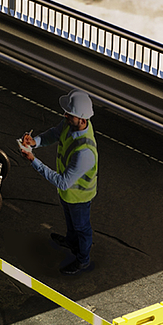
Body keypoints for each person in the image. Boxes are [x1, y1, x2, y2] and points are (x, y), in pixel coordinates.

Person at [19, 89, 98, 275]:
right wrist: (34, 142)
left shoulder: (85, 152)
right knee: (71, 223)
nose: (65, 116)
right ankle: (71, 242)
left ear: (82, 119)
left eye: (69, 114)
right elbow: (54, 133)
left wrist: (33, 160)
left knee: (82, 228)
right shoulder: (71, 124)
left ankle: (83, 260)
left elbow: (62, 182)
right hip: (68, 194)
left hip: (79, 196)